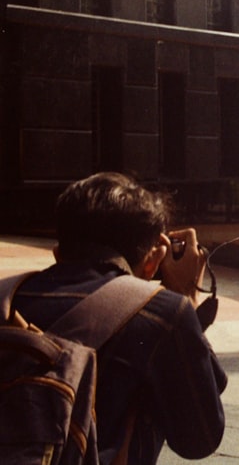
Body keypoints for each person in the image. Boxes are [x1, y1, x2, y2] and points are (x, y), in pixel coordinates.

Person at [11, 172, 226, 464]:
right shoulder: (162, 313)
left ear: (58, 254)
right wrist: (185, 297)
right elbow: (200, 438)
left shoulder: (7, 299)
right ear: (152, 262)